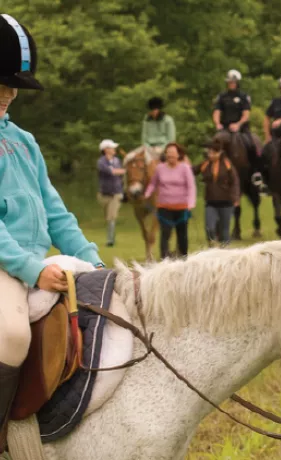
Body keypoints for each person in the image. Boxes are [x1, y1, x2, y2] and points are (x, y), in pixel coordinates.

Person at [0, 14, 104, 451]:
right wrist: (29, 269)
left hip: (37, 260)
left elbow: (56, 212)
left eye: (13, 87)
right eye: (0, 84)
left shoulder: (24, 140)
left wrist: (92, 260)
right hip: (7, 265)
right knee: (13, 334)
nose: (8, 94)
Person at [212, 70, 265, 192]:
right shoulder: (222, 97)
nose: (231, 84)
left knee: (253, 144)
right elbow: (216, 112)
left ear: (237, 83)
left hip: (241, 129)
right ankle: (208, 170)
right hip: (225, 129)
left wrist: (238, 124)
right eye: (229, 82)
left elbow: (246, 114)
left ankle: (257, 173)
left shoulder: (243, 96)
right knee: (213, 143)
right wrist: (217, 123)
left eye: (233, 82)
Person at [144, 142, 196, 259]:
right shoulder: (160, 168)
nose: (171, 156)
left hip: (182, 207)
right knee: (165, 234)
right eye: (168, 154)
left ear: (178, 155)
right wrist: (147, 193)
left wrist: (191, 202)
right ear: (165, 155)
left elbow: (191, 186)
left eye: (173, 154)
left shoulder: (185, 168)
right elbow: (153, 184)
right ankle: (164, 259)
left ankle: (183, 258)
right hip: (164, 207)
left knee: (182, 235)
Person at [193, 139, 240, 247]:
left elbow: (235, 181)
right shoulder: (205, 164)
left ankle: (225, 250)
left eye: (213, 152)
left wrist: (236, 197)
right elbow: (192, 171)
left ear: (219, 152)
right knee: (209, 227)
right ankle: (212, 244)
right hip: (211, 202)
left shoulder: (227, 164)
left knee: (224, 230)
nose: (211, 155)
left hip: (226, 202)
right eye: (209, 152)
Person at [97, 139, 125, 247]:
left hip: (116, 193)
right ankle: (111, 237)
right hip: (104, 194)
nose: (114, 149)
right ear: (105, 150)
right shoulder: (101, 161)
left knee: (111, 217)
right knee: (108, 218)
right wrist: (124, 170)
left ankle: (110, 241)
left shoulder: (117, 160)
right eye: (112, 148)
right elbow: (112, 172)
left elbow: (118, 173)